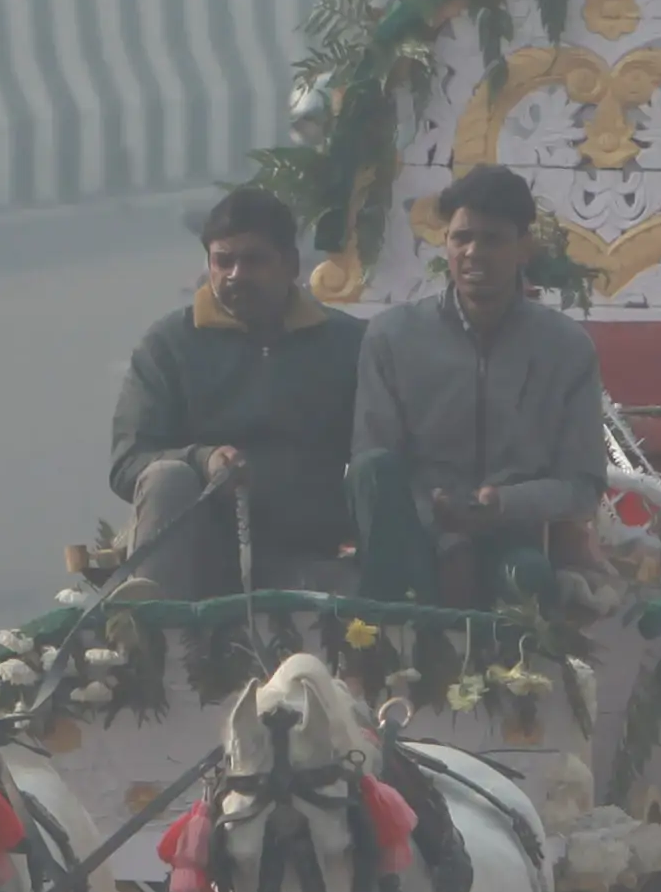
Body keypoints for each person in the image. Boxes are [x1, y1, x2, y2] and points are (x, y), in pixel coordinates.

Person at [349, 164, 609, 609]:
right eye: (461, 238)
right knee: (374, 470)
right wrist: (445, 530)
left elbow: (582, 483)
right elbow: (374, 462)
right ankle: (386, 663)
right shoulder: (393, 336)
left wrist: (503, 504)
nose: (473, 252)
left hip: (509, 535)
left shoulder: (565, 347)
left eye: (492, 239)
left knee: (525, 578)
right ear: (445, 243)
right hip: (414, 531)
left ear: (523, 248)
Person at [109, 184, 366, 605]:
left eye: (253, 261)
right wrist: (203, 460)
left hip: (312, 556)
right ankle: (160, 644)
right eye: (223, 261)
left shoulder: (346, 343)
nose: (235, 275)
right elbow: (127, 462)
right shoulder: (169, 345)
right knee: (166, 476)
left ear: (291, 265)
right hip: (198, 555)